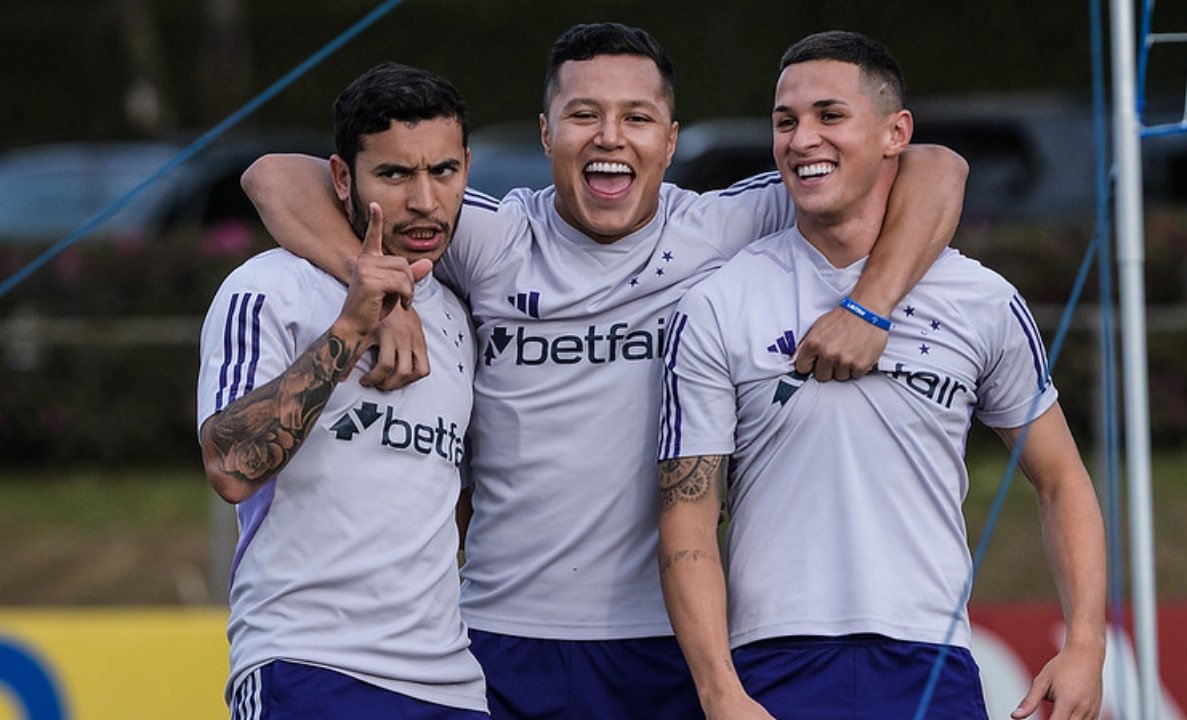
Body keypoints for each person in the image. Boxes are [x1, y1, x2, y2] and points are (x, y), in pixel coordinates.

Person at [241, 23, 968, 719]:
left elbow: (934, 165)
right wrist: (379, 287)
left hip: (671, 645)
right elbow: (277, 175)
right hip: (497, 641)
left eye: (637, 117)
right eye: (584, 114)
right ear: (546, 133)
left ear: (672, 140)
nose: (610, 137)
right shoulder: (493, 235)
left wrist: (871, 308)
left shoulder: (726, 229)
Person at [656, 31, 1106, 720]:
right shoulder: (720, 300)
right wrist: (721, 694)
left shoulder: (981, 300)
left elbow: (1061, 478)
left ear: (896, 133)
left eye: (829, 116)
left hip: (931, 659)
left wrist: (1085, 645)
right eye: (786, 121)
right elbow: (687, 515)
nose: (802, 139)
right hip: (772, 663)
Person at [197, 63, 488, 718]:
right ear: (340, 178)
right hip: (309, 665)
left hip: (451, 683)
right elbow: (231, 466)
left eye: (443, 171)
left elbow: (450, 501)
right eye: (393, 174)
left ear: (467, 166)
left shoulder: (459, 314)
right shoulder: (271, 288)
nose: (424, 200)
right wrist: (354, 326)